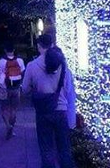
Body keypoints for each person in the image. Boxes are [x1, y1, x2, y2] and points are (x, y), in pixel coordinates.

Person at [22, 34, 76, 168]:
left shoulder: (32, 66)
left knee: (46, 149)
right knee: (64, 148)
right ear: (52, 45)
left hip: (43, 111)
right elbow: (68, 89)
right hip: (61, 111)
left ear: (38, 46)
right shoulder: (62, 64)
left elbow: (25, 89)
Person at [0, 42, 25, 139]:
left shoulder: (2, 61)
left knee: (4, 109)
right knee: (13, 109)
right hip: (16, 88)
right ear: (14, 50)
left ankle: (7, 125)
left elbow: (0, 73)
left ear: (5, 50)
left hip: (5, 88)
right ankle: (12, 128)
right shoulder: (20, 60)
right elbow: (22, 72)